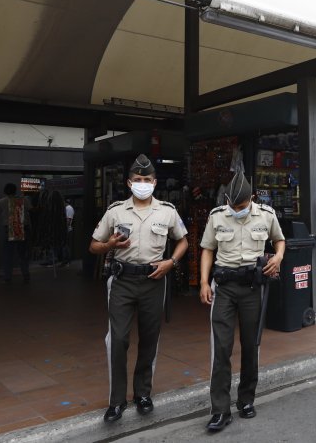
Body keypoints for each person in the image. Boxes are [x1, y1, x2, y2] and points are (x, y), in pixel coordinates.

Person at [90, 155, 188, 422]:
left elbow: (183, 241)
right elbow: (94, 246)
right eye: (137, 180)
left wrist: (172, 262)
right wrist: (110, 245)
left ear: (154, 182)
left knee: (149, 339)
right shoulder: (116, 210)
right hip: (122, 281)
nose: (142, 184)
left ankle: (143, 394)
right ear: (129, 182)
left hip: (154, 281)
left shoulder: (167, 210)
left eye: (147, 180)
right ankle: (117, 400)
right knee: (118, 339)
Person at [199, 172, 285, 433]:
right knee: (221, 349)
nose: (237, 211)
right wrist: (204, 282)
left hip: (252, 288)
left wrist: (278, 257)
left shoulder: (267, 215)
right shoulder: (217, 216)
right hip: (224, 287)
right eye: (233, 206)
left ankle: (246, 400)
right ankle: (220, 410)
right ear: (226, 200)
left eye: (242, 206)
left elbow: (279, 240)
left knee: (251, 346)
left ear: (252, 199)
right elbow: (207, 249)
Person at [0, 183, 30, 283]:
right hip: (22, 228)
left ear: (5, 191)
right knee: (23, 254)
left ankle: (7, 277)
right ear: (16, 190)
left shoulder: (1, 201)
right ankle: (26, 275)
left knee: (8, 255)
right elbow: (30, 211)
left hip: (9, 229)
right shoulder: (24, 200)